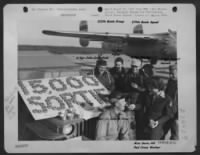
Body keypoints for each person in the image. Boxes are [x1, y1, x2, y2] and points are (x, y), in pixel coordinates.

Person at [162, 64, 178, 140]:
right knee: (163, 131)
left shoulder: (181, 83)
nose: (171, 75)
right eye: (170, 73)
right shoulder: (170, 81)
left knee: (174, 133)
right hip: (168, 110)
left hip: (175, 111)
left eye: (173, 73)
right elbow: (167, 94)